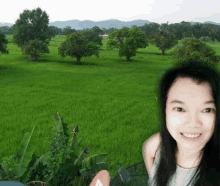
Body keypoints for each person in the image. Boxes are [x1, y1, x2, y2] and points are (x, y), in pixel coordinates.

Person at [145, 62, 220, 186]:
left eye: (207, 110)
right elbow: (148, 150)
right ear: (164, 109)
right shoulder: (158, 142)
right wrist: (152, 178)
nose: (193, 123)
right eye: (180, 109)